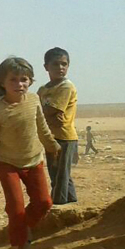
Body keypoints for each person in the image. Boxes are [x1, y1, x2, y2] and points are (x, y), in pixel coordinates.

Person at [0, 57, 59, 249]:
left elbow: (42, 126)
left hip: (33, 160)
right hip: (7, 163)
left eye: (24, 79)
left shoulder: (34, 101)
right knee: (16, 207)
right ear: (3, 82)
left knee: (44, 202)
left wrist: (52, 145)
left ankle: (22, 227)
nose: (19, 84)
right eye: (13, 80)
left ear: (30, 81)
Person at [38, 47, 78, 205]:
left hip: (65, 136)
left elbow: (50, 110)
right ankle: (70, 200)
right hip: (51, 136)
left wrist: (45, 113)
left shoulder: (66, 86)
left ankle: (58, 203)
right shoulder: (44, 89)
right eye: (55, 64)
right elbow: (41, 110)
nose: (60, 68)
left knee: (61, 174)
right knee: (56, 172)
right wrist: (46, 114)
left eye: (64, 64)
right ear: (46, 66)